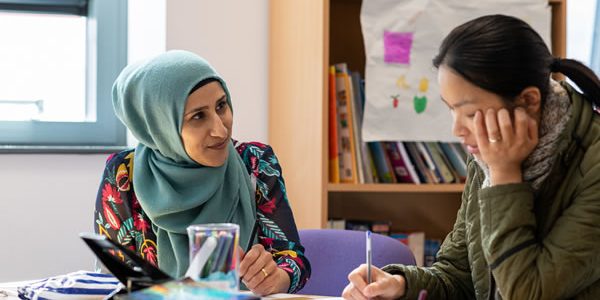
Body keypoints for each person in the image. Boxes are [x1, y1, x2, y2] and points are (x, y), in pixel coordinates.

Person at [343, 14, 600, 300]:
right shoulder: (491, 150)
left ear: (528, 101)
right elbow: (457, 274)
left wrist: (504, 176)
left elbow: (528, 292)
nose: (457, 130)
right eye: (451, 109)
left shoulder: (587, 163)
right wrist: (401, 286)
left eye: (469, 113)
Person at [93, 50, 310, 295]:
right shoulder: (123, 174)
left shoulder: (255, 162)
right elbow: (111, 279)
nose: (220, 130)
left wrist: (277, 276)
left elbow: (293, 259)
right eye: (198, 116)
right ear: (161, 125)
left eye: (221, 106)